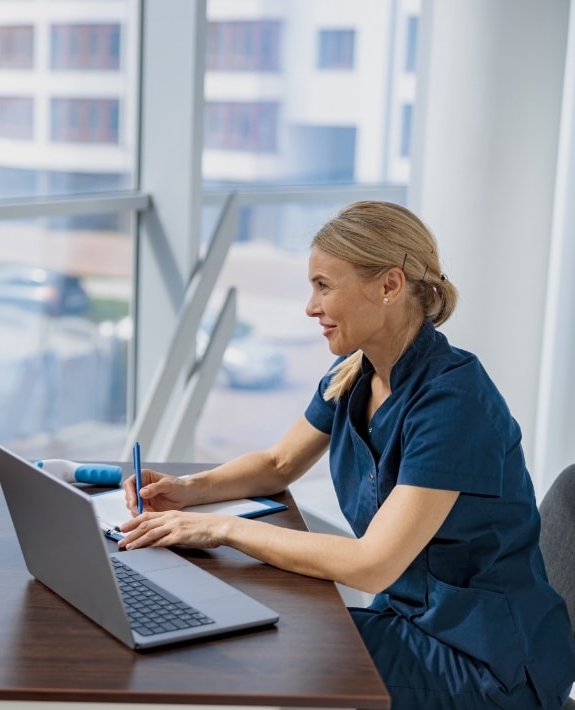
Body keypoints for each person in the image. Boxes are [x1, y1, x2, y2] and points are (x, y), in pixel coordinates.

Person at [118, 201, 575, 709]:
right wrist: (188, 491)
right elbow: (277, 465)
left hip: (488, 662)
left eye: (323, 286)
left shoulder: (454, 402)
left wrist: (219, 528)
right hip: (411, 622)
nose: (311, 307)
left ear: (389, 286)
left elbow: (373, 564)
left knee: (273, 650)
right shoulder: (355, 375)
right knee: (267, 629)